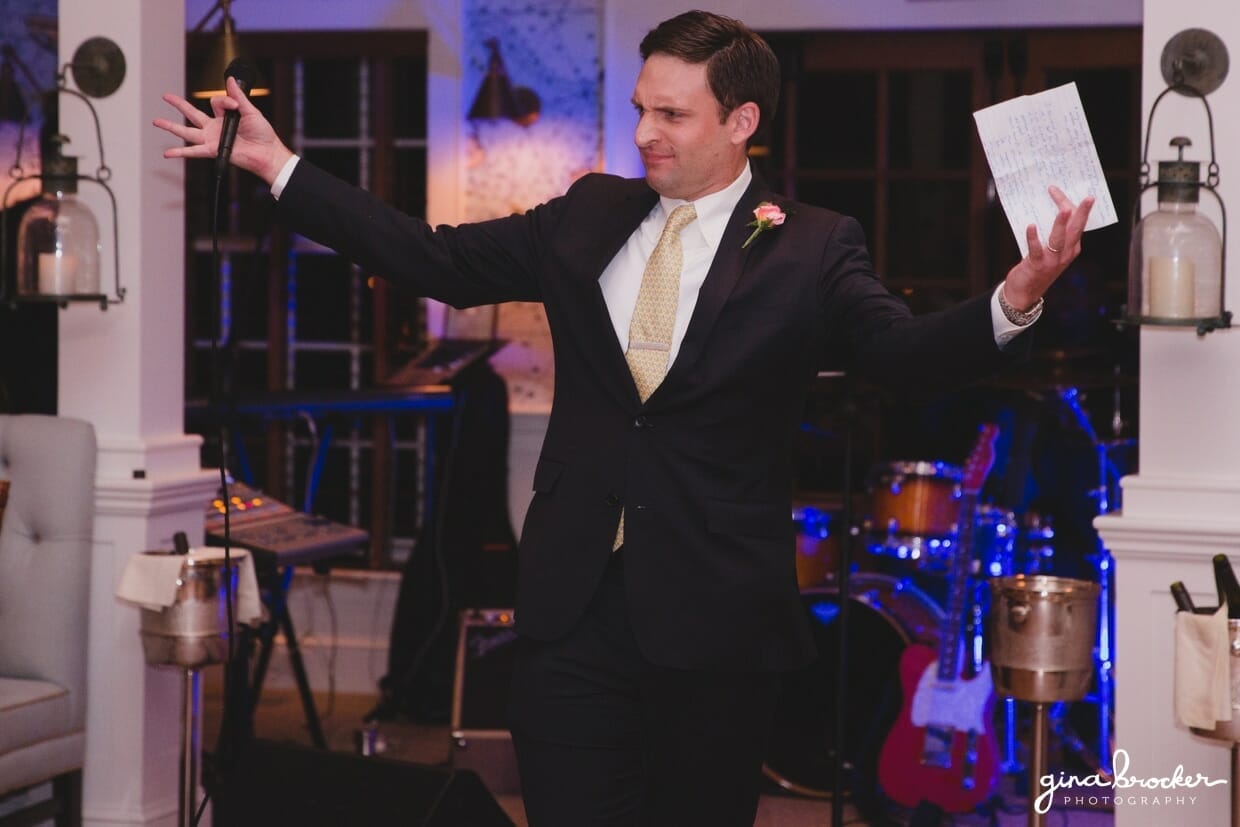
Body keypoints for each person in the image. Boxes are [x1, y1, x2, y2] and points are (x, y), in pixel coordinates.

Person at [155, 10, 1093, 826]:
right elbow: (428, 256)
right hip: (570, 612)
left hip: (717, 622)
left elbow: (899, 355)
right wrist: (281, 169)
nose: (642, 131)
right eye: (640, 107)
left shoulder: (810, 244)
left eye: (671, 114)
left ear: (742, 122)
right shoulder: (586, 213)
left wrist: (1012, 300)